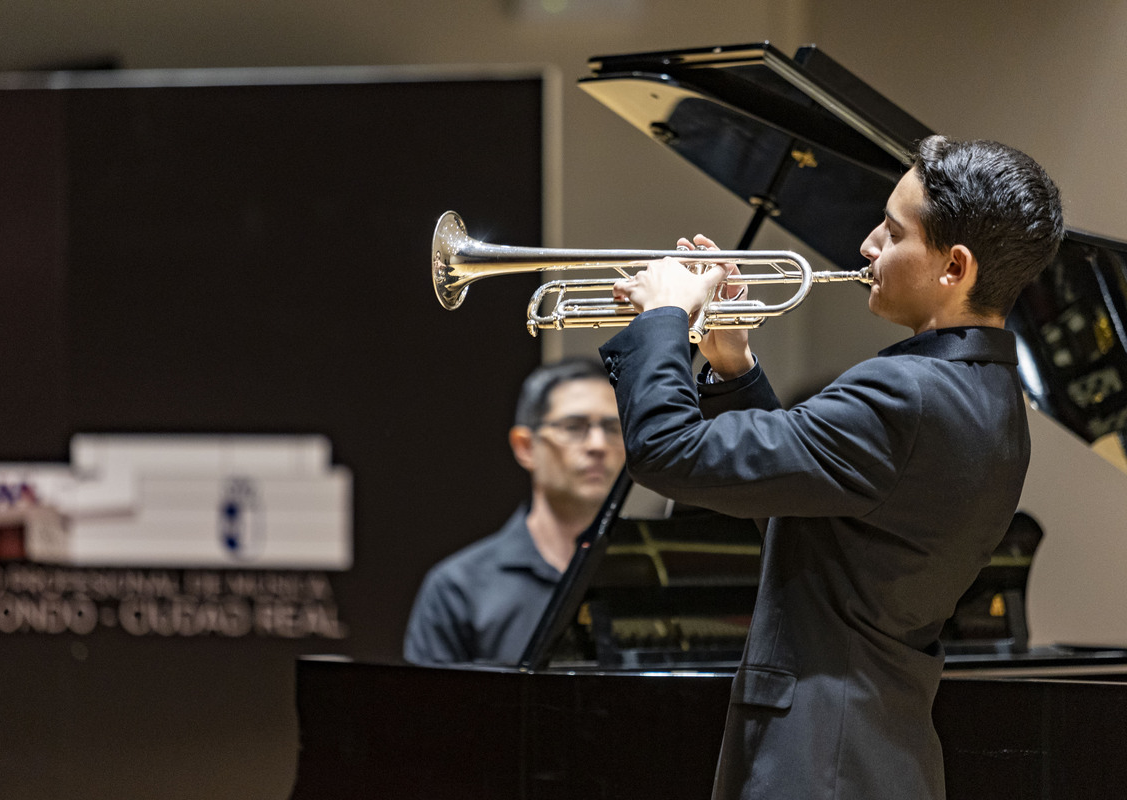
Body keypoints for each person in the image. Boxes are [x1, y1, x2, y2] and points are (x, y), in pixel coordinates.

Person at [600, 134, 1063, 800]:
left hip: (820, 760)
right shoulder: (988, 394)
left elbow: (667, 452)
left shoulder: (904, 393)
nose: (868, 245)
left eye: (892, 232)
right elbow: (809, 513)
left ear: (954, 267)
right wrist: (733, 363)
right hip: (875, 745)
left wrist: (665, 316)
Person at [404, 357, 626, 665]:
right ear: (525, 446)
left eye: (613, 428)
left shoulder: (650, 571)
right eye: (574, 427)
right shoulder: (458, 587)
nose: (598, 444)